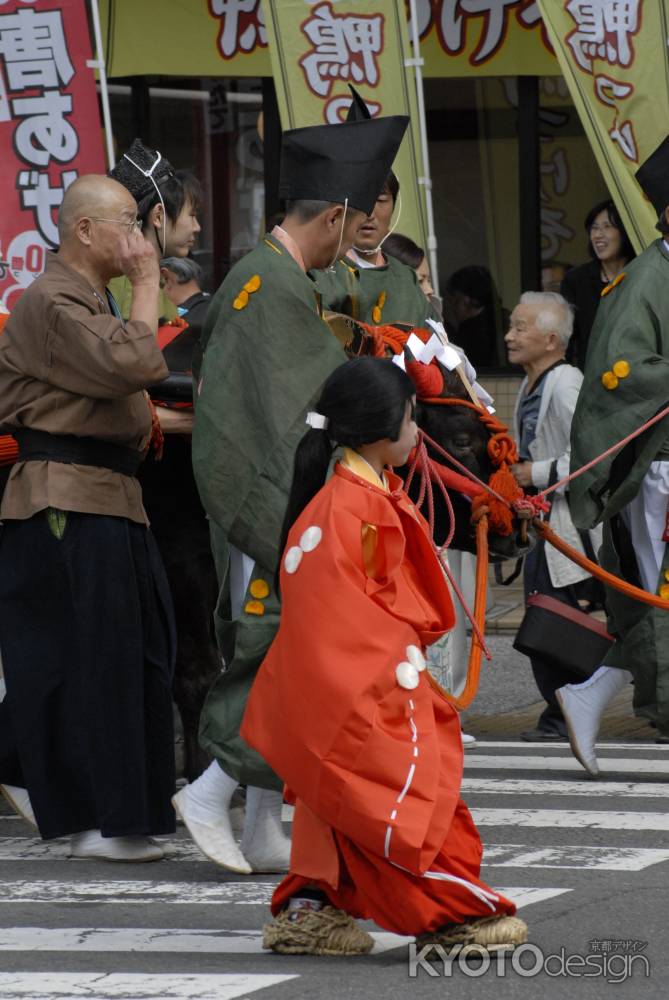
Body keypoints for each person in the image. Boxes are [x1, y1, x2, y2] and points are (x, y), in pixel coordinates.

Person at [173, 111, 409, 874]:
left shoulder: (282, 280)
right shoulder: (265, 286)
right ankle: (211, 789)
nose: (357, 239)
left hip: (288, 500)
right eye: (356, 220)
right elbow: (279, 418)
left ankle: (259, 820)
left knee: (290, 656)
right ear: (335, 214)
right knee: (276, 656)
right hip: (267, 501)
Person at [240, 357, 527, 955]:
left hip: (355, 681)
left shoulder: (357, 495)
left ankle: (308, 911)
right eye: (410, 418)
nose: (417, 432)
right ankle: (450, 916)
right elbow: (340, 624)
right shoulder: (346, 507)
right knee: (400, 804)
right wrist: (399, 676)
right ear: (377, 429)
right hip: (363, 685)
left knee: (340, 803)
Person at [0, 175, 176, 861]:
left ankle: (101, 806)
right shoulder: (50, 299)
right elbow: (135, 361)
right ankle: (100, 819)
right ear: (83, 230)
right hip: (63, 496)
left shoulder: (82, 296)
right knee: (91, 658)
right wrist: (147, 280)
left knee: (131, 655)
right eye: (127, 222)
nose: (138, 238)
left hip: (108, 494)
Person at [559, 136, 669, 776]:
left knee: (655, 597)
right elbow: (622, 375)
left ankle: (588, 693)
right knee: (659, 598)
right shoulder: (646, 280)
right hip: (660, 468)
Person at [506, 292, 601, 742]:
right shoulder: (532, 383)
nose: (509, 336)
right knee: (546, 617)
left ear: (550, 339)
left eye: (520, 327)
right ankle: (562, 711)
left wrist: (534, 473)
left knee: (554, 622)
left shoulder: (565, 384)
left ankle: (565, 712)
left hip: (566, 527)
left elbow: (594, 454)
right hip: (544, 525)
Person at [315, 88, 439, 330]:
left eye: (380, 200)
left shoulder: (407, 280)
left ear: (394, 205)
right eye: (360, 200)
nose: (368, 213)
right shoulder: (320, 274)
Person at [560, 198, 635, 370]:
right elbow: (567, 338)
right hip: (590, 380)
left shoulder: (642, 274)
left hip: (636, 381)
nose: (598, 235)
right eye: (594, 228)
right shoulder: (576, 280)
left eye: (607, 227)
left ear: (624, 231)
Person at [444, 266, 509, 370]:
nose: (451, 306)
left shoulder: (469, 334)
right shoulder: (504, 318)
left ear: (466, 302)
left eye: (454, 300)